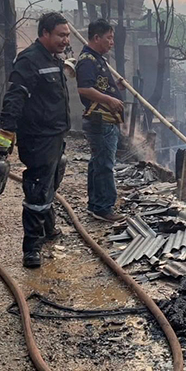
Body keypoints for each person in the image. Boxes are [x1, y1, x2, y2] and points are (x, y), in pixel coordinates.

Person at [0, 12, 71, 268]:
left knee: (52, 179)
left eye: (67, 35)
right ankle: (32, 248)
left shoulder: (52, 58)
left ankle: (49, 228)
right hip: (38, 137)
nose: (65, 40)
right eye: (61, 35)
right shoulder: (29, 60)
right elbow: (15, 96)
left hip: (56, 133)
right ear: (45, 33)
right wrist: (6, 131)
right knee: (38, 189)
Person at [76, 19, 125, 221]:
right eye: (109, 38)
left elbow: (100, 85)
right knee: (104, 164)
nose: (111, 42)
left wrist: (116, 87)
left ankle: (95, 204)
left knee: (98, 162)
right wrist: (110, 99)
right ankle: (103, 208)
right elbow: (84, 88)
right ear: (96, 37)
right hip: (100, 120)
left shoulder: (98, 59)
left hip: (105, 121)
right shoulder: (88, 60)